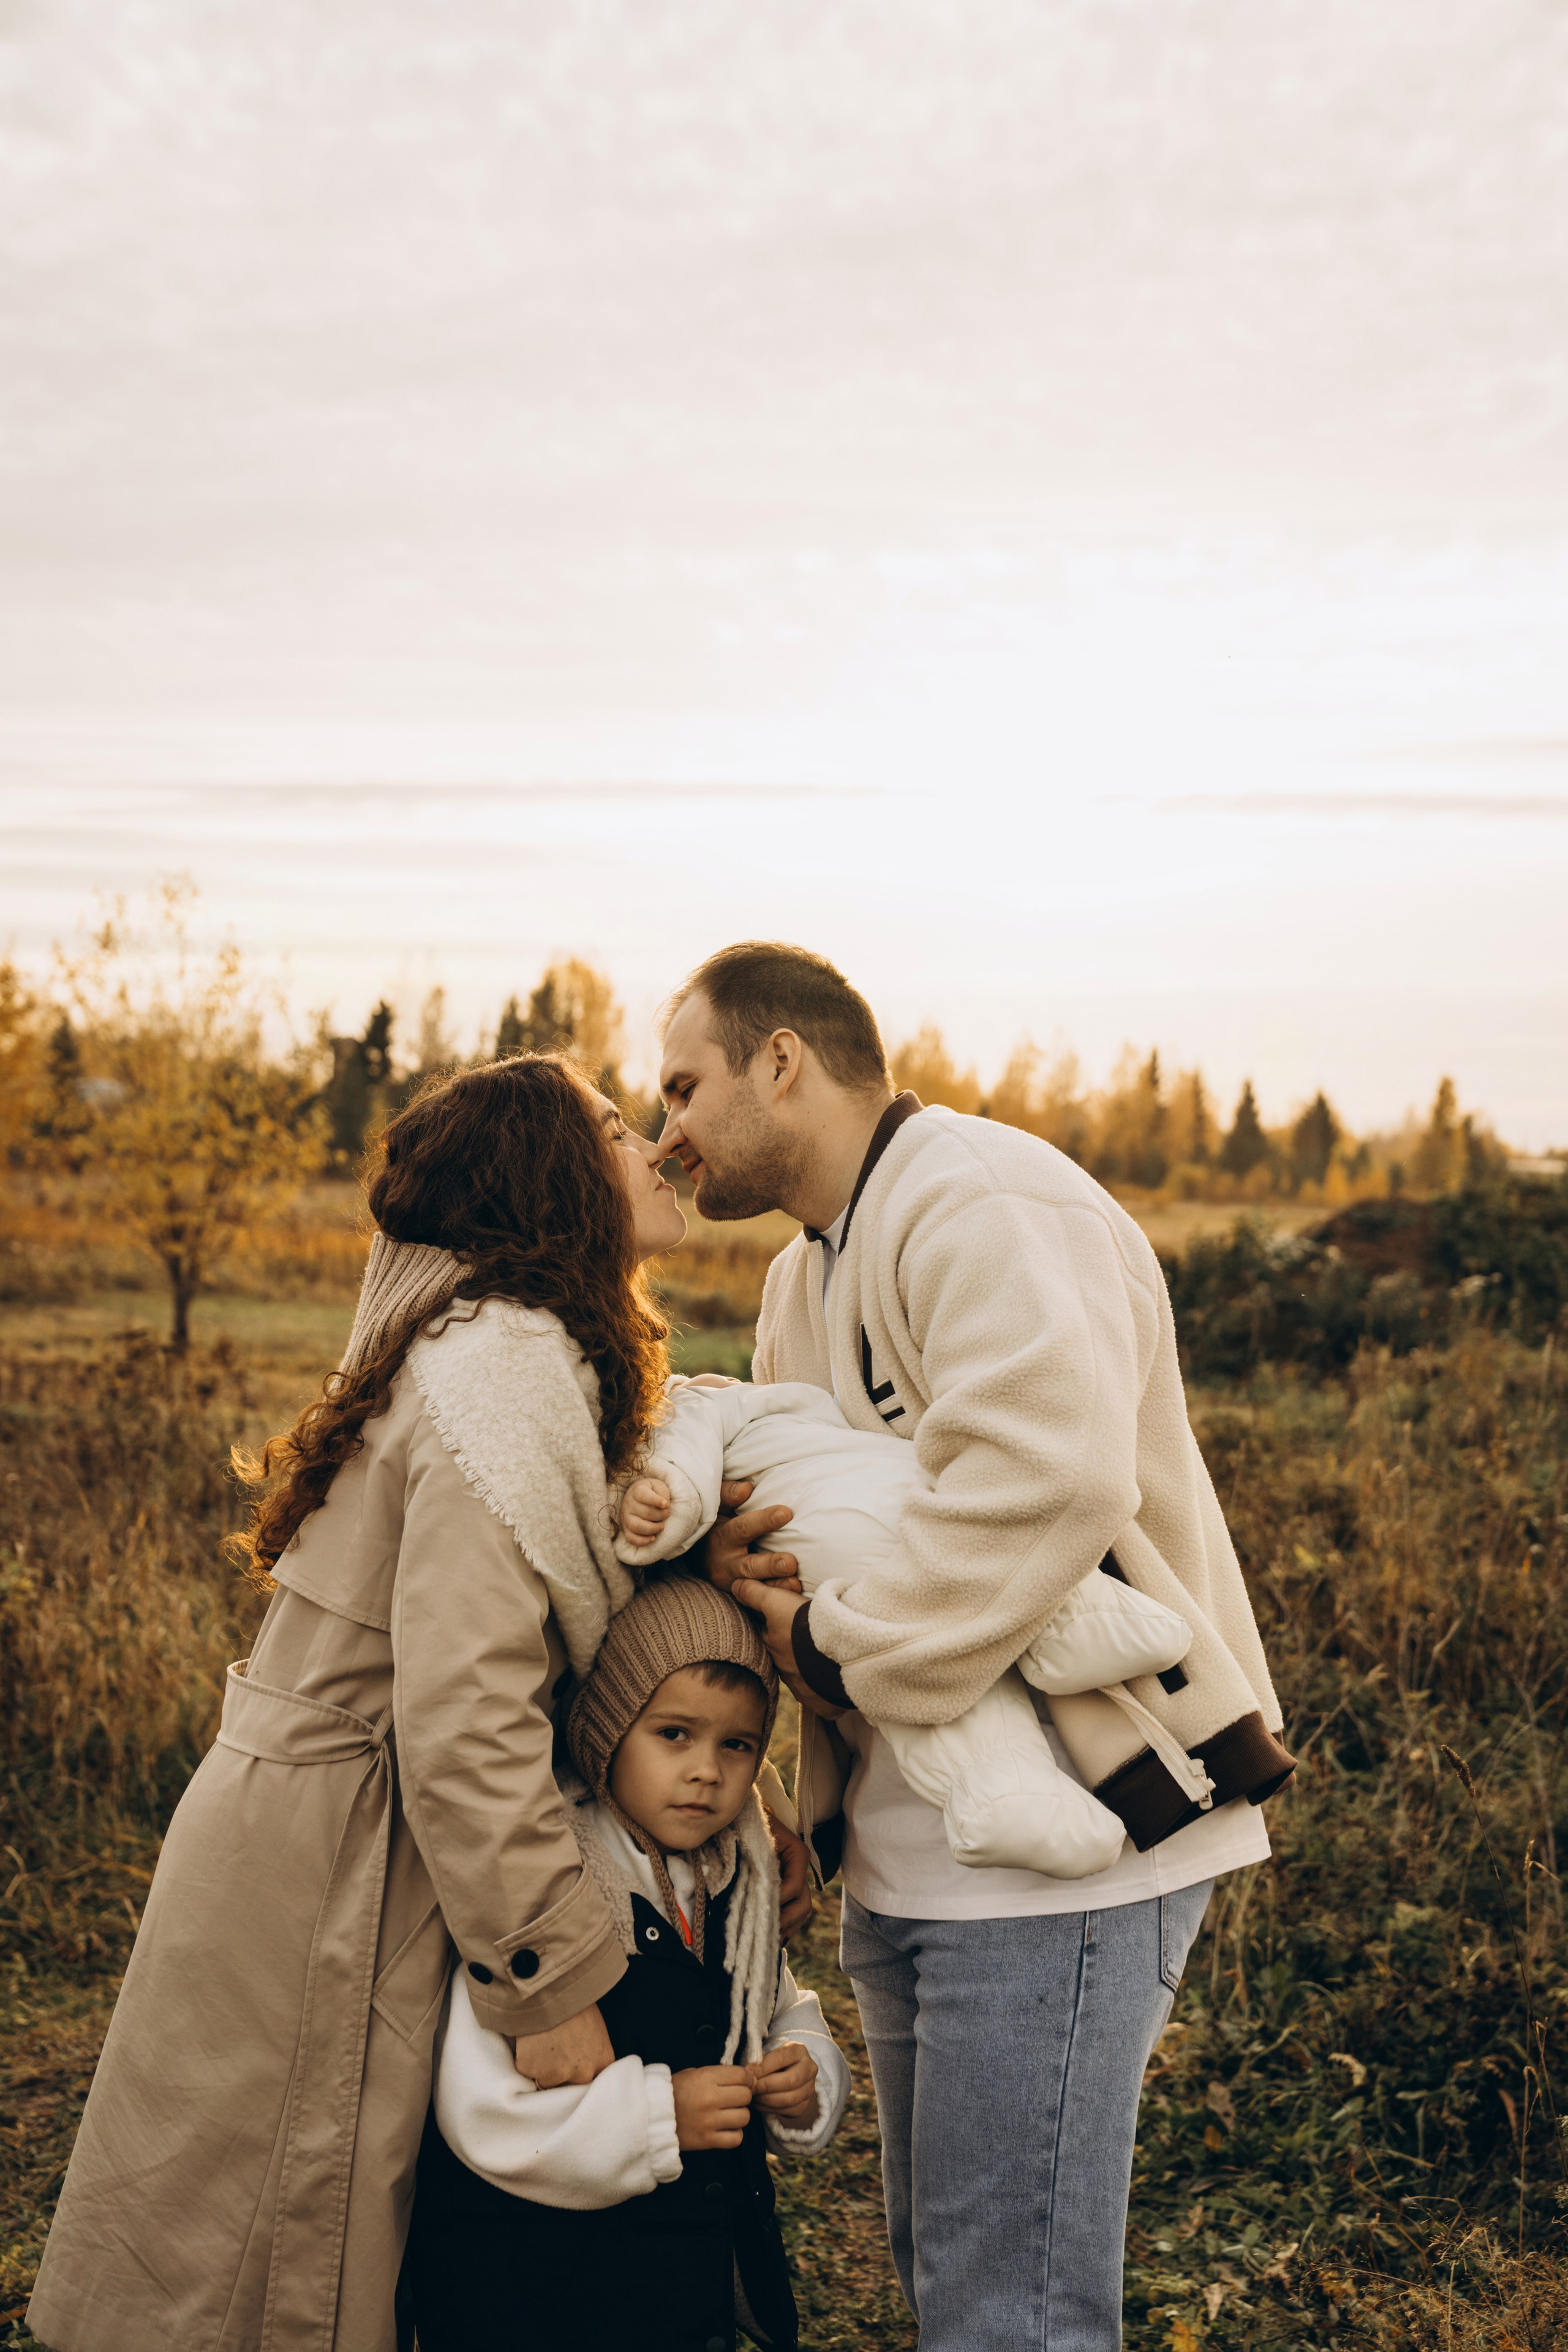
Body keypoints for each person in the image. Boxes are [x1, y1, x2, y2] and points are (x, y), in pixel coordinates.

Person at [27, 1054, 810, 2352]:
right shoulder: (502, 1366)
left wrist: (745, 1787)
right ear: (553, 1181)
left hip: (335, 1826)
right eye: (619, 1130)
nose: (659, 1149)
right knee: (258, 2256)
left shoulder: (507, 1355)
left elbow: (544, 1610)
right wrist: (552, 1989)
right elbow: (468, 1714)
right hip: (331, 1860)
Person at [654, 943, 1295, 2352]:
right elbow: (817, 1519)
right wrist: (739, 1577)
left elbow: (1045, 1480)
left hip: (1066, 1836)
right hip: (905, 1843)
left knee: (1009, 2309)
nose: (667, 1128)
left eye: (683, 1082)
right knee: (948, 2276)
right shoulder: (795, 1282)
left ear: (782, 1061)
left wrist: (830, 1632)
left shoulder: (980, 1199)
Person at [408, 1575, 850, 2352]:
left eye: (736, 1744)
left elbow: (776, 2005)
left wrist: (802, 2068)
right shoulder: (544, 1887)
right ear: (609, 1730)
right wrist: (655, 2118)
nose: (706, 1771)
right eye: (673, 1734)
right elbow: (480, 2112)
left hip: (681, 2293)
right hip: (540, 2298)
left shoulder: (734, 1876)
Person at [612, 1376, 1196, 1878]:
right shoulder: (795, 1298)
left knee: (914, 1658)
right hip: (861, 1596)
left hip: (889, 1546)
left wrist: (668, 1507)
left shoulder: (699, 1406)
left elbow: (678, 1463)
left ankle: (1058, 1641)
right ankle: (1068, 1642)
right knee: (913, 1677)